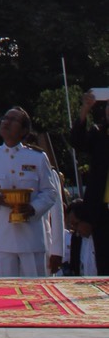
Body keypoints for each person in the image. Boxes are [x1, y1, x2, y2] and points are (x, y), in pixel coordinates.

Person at [0, 106, 57, 276]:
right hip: (3, 237)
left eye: (13, 120)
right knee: (6, 290)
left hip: (31, 236)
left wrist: (33, 208)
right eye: (5, 118)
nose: (6, 122)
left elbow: (50, 192)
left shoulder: (37, 157)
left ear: (24, 130)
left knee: (35, 290)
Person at [69, 90, 109, 274]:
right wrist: (85, 109)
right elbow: (77, 141)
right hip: (102, 210)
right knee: (103, 261)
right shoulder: (99, 134)